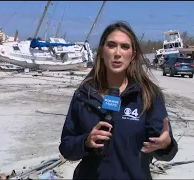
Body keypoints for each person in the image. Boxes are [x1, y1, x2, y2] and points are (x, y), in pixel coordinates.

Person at [59, 21, 178, 179]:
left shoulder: (148, 95)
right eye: (112, 45)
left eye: (124, 47)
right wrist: (85, 142)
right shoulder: (84, 94)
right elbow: (66, 148)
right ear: (102, 51)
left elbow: (165, 152)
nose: (117, 53)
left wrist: (166, 145)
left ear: (133, 55)